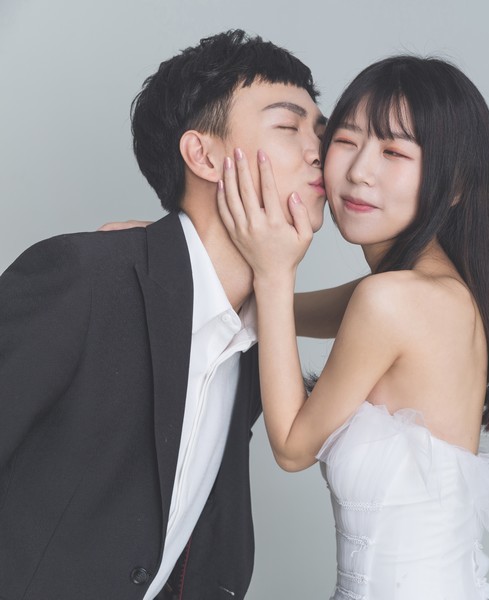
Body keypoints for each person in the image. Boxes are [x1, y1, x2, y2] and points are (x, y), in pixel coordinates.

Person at [0, 30, 327, 599]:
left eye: (319, 132)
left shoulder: (256, 347)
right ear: (203, 155)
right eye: (288, 126)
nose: (318, 150)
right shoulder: (83, 278)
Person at [218, 56, 489, 599]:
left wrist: (275, 270)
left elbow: (293, 448)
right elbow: (267, 312)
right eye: (346, 141)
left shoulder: (393, 301)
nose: (359, 171)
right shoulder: (425, 290)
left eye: (394, 152)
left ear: (455, 184)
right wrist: (175, 255)